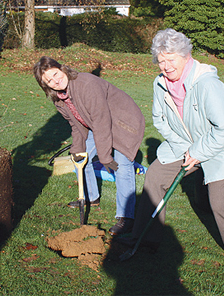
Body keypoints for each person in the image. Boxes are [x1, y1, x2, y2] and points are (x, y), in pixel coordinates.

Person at [116, 28, 224, 273]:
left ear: (186, 56)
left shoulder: (208, 84)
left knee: (221, 203)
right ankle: (145, 237)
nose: (166, 66)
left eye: (171, 59)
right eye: (161, 61)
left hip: (222, 147)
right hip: (186, 145)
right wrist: (183, 145)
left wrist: (199, 152)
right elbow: (159, 120)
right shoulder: (160, 83)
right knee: (155, 177)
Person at [33, 56, 145, 235]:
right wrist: (77, 149)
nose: (55, 80)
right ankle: (89, 197)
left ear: (62, 69)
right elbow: (76, 125)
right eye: (49, 80)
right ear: (45, 85)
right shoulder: (59, 99)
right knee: (80, 158)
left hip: (123, 121)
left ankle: (126, 217)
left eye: (55, 74)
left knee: (122, 165)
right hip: (97, 123)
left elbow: (102, 121)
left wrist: (105, 156)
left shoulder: (86, 84)